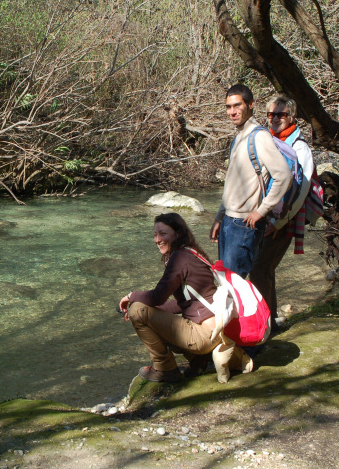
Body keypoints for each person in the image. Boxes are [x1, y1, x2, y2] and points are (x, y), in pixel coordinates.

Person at [118, 213, 251, 384]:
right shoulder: (191, 253)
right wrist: (153, 315)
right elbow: (185, 303)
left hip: (204, 335)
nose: (157, 239)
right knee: (145, 312)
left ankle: (165, 368)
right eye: (154, 234)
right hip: (215, 331)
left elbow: (158, 296)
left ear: (178, 233)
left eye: (163, 234)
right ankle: (198, 360)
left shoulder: (180, 258)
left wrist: (131, 297)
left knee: (137, 309)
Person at [209, 84, 293, 279]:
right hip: (230, 221)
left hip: (244, 224)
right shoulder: (238, 138)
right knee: (225, 283)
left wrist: (261, 211)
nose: (232, 112)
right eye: (228, 107)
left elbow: (284, 176)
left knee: (233, 286)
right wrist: (219, 217)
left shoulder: (260, 137)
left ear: (251, 104)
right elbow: (232, 184)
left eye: (237, 105)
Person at [249, 96, 314, 327]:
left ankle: (262, 324)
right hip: (262, 216)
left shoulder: (300, 147)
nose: (275, 118)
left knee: (258, 269)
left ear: (292, 117)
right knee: (265, 269)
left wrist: (279, 222)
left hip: (283, 221)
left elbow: (301, 191)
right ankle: (271, 320)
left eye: (281, 114)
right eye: (271, 114)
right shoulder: (265, 141)